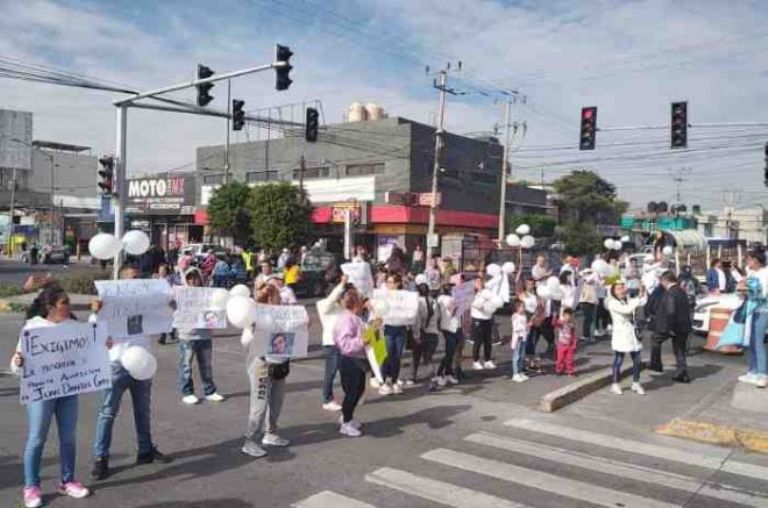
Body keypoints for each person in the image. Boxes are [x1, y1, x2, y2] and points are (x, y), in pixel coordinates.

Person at [11, 284, 91, 507]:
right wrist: (19, 362)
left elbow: (88, 352)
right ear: (50, 307)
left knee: (68, 438)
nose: (69, 306)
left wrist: (103, 345)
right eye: (64, 303)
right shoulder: (32, 328)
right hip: (41, 391)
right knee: (37, 438)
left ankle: (67, 481)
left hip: (67, 390)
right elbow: (16, 363)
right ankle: (31, 486)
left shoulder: (74, 326)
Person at [91, 265, 172, 481]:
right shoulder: (107, 304)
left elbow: (166, 320)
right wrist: (95, 312)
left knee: (143, 410)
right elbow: (93, 329)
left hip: (142, 362)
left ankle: (145, 451)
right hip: (116, 364)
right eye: (128, 279)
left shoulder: (146, 302)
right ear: (118, 284)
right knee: (107, 413)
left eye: (137, 278)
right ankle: (101, 459)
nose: (133, 282)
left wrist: (170, 306)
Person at [241, 284, 291, 459]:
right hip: (261, 366)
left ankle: (270, 433)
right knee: (259, 406)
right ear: (268, 298)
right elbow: (245, 341)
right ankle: (250, 441)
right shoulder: (255, 317)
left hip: (280, 364)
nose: (280, 298)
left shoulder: (283, 314)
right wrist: (254, 331)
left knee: (276, 402)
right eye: (276, 295)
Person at [178, 268, 226, 405]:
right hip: (187, 335)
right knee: (186, 366)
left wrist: (214, 324)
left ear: (200, 279)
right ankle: (187, 392)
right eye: (190, 278)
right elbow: (172, 307)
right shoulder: (181, 294)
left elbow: (215, 310)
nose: (193, 281)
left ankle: (209, 391)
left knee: (206, 366)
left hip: (204, 335)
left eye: (195, 278)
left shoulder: (207, 294)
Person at [333, 288, 371, 437]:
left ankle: (347, 416)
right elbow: (345, 344)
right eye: (362, 301)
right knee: (352, 392)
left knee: (358, 389)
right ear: (356, 303)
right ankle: (346, 423)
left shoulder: (354, 317)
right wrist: (364, 340)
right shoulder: (347, 319)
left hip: (357, 359)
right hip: (350, 359)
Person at [652, 271, 693, 383]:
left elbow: (671, 311)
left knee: (655, 340)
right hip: (684, 325)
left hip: (673, 325)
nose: (662, 285)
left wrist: (670, 328)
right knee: (680, 350)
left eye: (662, 282)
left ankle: (656, 364)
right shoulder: (681, 291)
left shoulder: (670, 293)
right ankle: (682, 373)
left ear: (665, 280)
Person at [608, 281, 647, 395]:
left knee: (637, 360)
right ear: (614, 292)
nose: (622, 291)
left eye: (622, 288)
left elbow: (641, 302)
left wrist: (642, 292)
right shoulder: (613, 303)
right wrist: (637, 299)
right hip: (621, 335)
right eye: (619, 289)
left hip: (632, 334)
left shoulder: (628, 300)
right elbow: (627, 310)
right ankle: (615, 384)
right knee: (619, 359)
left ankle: (636, 383)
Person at [317, 276, 349, 411]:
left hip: (344, 343)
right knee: (331, 372)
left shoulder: (341, 306)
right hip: (331, 343)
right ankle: (327, 399)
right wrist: (342, 284)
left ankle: (350, 395)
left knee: (346, 371)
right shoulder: (323, 304)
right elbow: (331, 299)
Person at [739, 250, 768, 388]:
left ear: (756, 260)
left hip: (762, 311)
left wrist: (744, 288)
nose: (747, 262)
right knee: (751, 342)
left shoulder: (764, 274)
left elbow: (760, 294)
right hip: (753, 311)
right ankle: (753, 371)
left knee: (758, 343)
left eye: (749, 259)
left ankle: (762, 374)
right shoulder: (754, 273)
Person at [379, 273, 408, 395]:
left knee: (397, 356)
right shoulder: (384, 296)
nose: (389, 285)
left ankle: (395, 380)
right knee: (387, 355)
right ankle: (383, 382)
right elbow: (379, 310)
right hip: (388, 328)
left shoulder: (404, 296)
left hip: (401, 328)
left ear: (398, 283)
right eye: (388, 282)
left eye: (392, 282)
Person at [411, 283, 439, 387]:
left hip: (423, 333)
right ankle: (432, 379)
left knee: (416, 357)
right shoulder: (435, 302)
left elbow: (417, 321)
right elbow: (438, 317)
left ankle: (412, 377)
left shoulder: (418, 303)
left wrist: (416, 335)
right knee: (428, 359)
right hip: (434, 333)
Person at [436, 284, 460, 386]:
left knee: (452, 351)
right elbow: (452, 311)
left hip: (456, 327)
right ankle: (439, 373)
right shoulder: (445, 299)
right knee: (449, 351)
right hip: (449, 327)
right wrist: (459, 304)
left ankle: (448, 373)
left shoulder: (450, 298)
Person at [471, 277, 497, 370]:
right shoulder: (474, 294)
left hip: (487, 318)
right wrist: (484, 300)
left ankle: (487, 360)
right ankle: (476, 361)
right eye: (477, 282)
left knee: (488, 341)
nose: (479, 283)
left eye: (481, 281)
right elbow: (477, 305)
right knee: (478, 341)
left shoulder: (487, 293)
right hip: (478, 319)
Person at [553, 308, 578, 376]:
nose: (568, 317)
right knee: (560, 359)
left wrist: (574, 344)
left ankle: (570, 371)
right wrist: (555, 317)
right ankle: (559, 370)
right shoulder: (561, 323)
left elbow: (574, 335)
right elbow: (555, 324)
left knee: (570, 359)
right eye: (566, 316)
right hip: (561, 344)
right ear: (563, 316)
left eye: (569, 316)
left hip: (569, 344)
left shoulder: (572, 325)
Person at [510, 300, 529, 382]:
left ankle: (520, 372)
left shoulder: (524, 316)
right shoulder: (515, 316)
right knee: (516, 356)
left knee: (522, 356)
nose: (523, 309)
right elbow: (515, 328)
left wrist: (527, 328)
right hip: (517, 338)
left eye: (524, 307)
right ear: (517, 308)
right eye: (521, 307)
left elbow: (525, 328)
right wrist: (525, 326)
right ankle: (515, 374)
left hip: (523, 337)